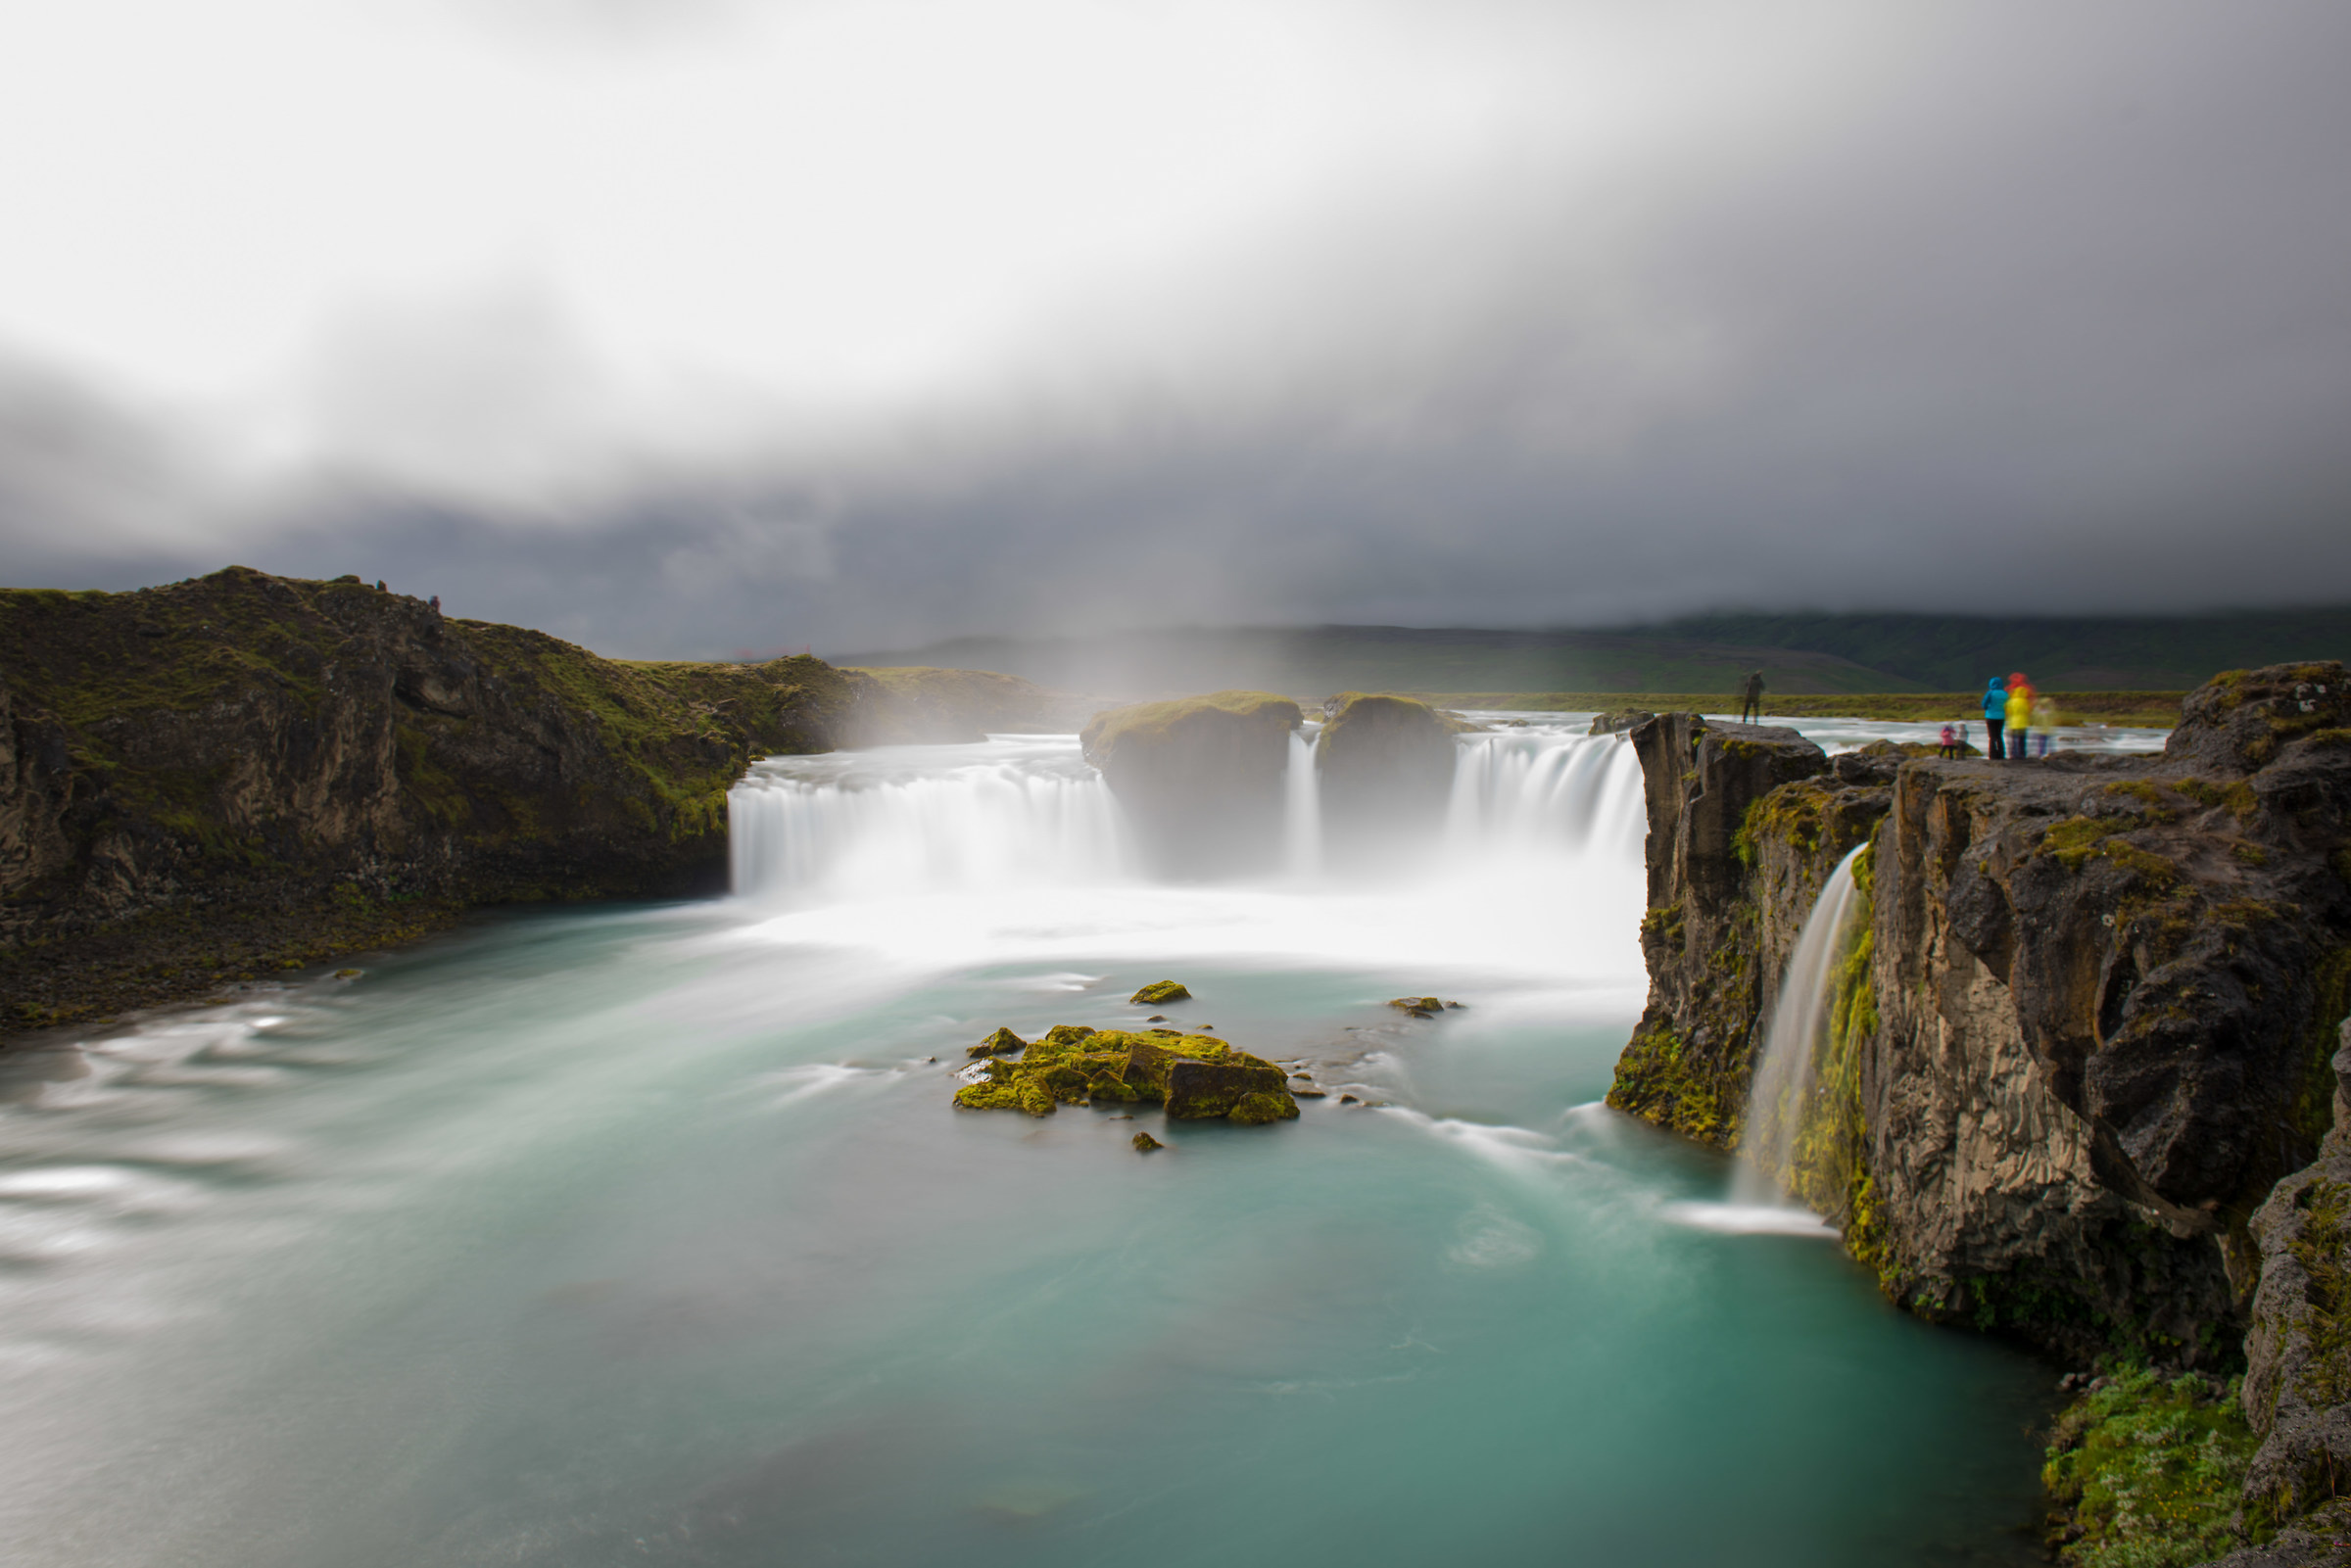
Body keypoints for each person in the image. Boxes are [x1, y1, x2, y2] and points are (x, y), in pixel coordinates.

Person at [2006, 672, 2033, 759]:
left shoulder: (2011, 701)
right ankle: (2022, 754)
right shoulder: (2025, 702)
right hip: (2023, 723)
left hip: (2013, 723)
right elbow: (2028, 711)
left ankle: (2013, 754)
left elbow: (2008, 711)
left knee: (2014, 740)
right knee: (2022, 739)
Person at [1982, 677, 2007, 760]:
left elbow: (1984, 704)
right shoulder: (2005, 693)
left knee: (1992, 736)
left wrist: (1987, 708)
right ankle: (2001, 754)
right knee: (1999, 736)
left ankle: (1992, 755)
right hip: (2001, 716)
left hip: (1990, 716)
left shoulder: (1990, 693)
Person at [2033, 689, 2059, 757]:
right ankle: (2048, 755)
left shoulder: (2039, 711)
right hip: (2047, 730)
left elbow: (2035, 719)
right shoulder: (2050, 711)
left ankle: (2042, 755)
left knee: (2043, 744)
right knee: (2048, 744)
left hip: (2043, 730)